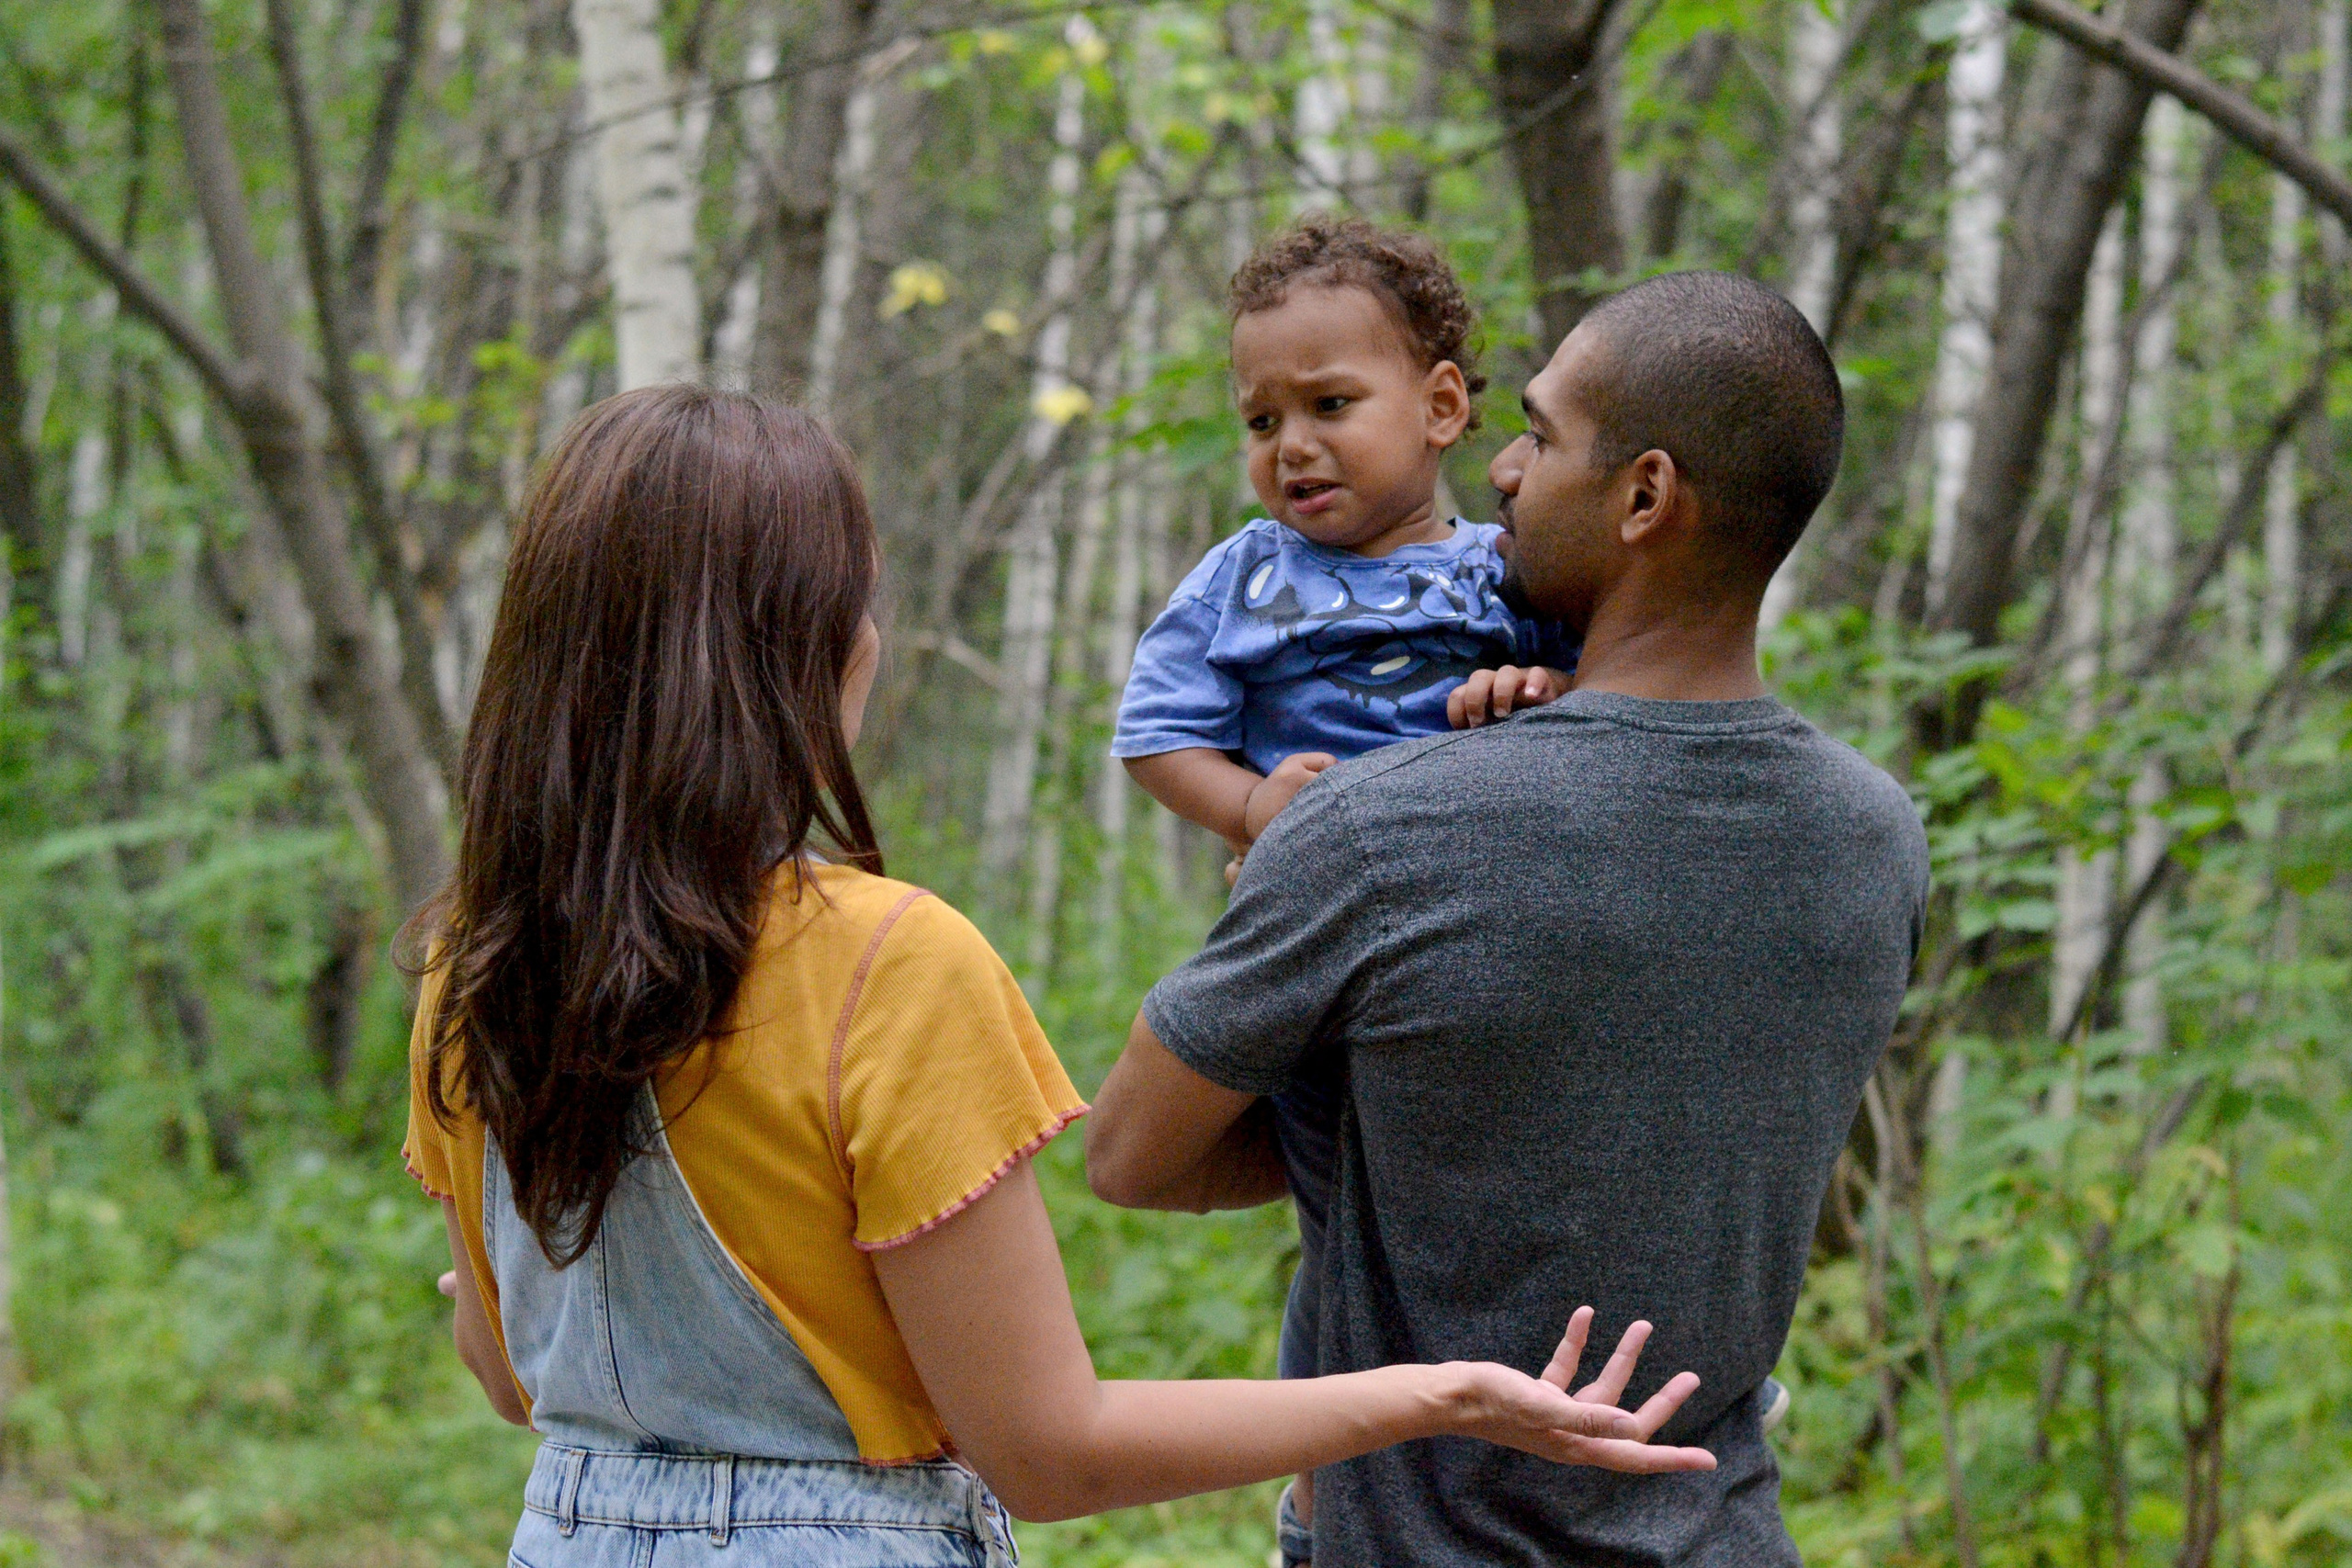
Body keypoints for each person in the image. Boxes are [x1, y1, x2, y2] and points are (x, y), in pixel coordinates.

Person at [401, 385, 1715, 1568]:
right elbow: (1048, 1452)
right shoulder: (888, 965)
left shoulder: (475, 964)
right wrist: (1445, 1394)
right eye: (858, 596)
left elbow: (520, 1381)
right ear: (806, 649)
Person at [1087, 272, 1932, 1566]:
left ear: (1645, 496)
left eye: (1536, 435)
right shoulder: (1878, 841)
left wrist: (1384, 1151)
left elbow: (1133, 1158)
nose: (1504, 476)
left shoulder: (1379, 827)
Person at [1109, 217, 1575, 1548]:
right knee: (1342, 1209)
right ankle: (1329, 1472)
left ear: (1440, 408)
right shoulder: (1248, 576)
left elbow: (1602, 701)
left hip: (1481, 947)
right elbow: (1155, 734)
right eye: (1260, 419)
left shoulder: (1511, 571)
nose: (1290, 447)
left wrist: (1538, 688)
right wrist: (1255, 803)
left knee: (1482, 1188)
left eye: (1328, 405)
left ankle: (1521, 1421)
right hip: (1316, 961)